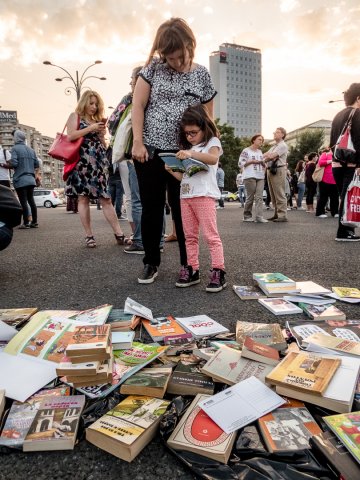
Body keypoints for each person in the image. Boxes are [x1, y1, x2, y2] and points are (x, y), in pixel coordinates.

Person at [131, 17, 216, 283]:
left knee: (184, 211)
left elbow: (208, 120)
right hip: (151, 151)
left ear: (190, 44)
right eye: (170, 58)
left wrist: (209, 152)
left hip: (185, 155)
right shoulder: (153, 69)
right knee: (151, 208)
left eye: (180, 56)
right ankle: (151, 262)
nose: (176, 63)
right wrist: (137, 142)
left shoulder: (201, 73)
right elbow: (137, 106)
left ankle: (188, 264)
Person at [165, 105, 226, 292]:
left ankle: (219, 271)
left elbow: (213, 159)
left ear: (204, 126)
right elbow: (185, 176)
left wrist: (190, 154)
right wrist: (172, 169)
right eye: (187, 133)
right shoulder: (189, 148)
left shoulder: (212, 142)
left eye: (193, 132)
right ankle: (192, 269)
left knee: (210, 235)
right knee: (189, 236)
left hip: (204, 195)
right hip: (186, 195)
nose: (190, 136)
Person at [65, 90, 126, 248]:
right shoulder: (75, 116)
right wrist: (91, 128)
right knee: (83, 198)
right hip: (81, 164)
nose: (94, 106)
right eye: (91, 103)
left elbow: (103, 146)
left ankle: (119, 234)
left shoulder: (96, 121)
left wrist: (101, 135)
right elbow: (71, 135)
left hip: (98, 164)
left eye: (96, 104)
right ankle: (89, 236)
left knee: (106, 198)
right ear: (84, 102)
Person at [330, 83, 360, 241]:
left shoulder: (338, 115)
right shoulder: (357, 113)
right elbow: (359, 140)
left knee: (344, 195)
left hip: (336, 163)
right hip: (351, 163)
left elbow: (332, 142)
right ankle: (343, 232)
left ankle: (346, 230)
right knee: (348, 196)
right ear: (358, 98)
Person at [9, 130, 39, 229]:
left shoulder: (14, 149)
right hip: (31, 179)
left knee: (23, 202)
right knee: (31, 201)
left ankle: (26, 223)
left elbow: (14, 163)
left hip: (20, 179)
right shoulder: (31, 150)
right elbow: (36, 164)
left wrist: (7, 163)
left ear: (16, 138)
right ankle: (34, 222)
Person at [239, 134, 267, 222]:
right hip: (250, 175)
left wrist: (263, 163)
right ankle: (247, 216)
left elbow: (263, 163)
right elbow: (240, 164)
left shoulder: (260, 151)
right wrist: (251, 161)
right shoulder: (246, 151)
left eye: (262, 140)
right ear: (253, 140)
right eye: (259, 139)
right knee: (250, 197)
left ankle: (259, 217)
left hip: (260, 176)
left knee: (259, 197)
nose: (261, 141)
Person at [263, 127, 289, 222]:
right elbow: (265, 154)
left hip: (278, 169)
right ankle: (277, 214)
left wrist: (266, 156)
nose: (274, 133)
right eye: (275, 132)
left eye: (277, 132)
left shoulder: (282, 145)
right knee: (273, 193)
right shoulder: (274, 146)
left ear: (282, 135)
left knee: (279, 192)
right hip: (271, 170)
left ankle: (282, 215)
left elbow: (270, 156)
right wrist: (266, 156)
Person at [315, 147, 339, 218]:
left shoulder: (339, 155)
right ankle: (319, 212)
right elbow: (320, 162)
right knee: (323, 197)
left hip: (335, 180)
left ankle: (335, 212)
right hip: (325, 179)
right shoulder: (325, 154)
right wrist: (331, 161)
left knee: (335, 197)